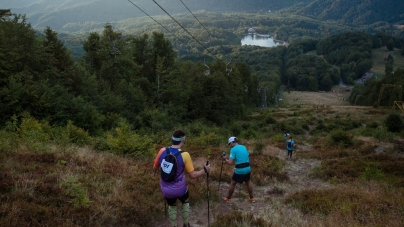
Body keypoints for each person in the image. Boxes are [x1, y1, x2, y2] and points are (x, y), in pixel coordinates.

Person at [153, 129, 211, 227]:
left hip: (165, 188)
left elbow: (155, 168)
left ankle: (174, 225)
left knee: (172, 205)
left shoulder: (162, 150)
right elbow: (192, 175)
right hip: (180, 188)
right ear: (183, 140)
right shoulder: (185, 155)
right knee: (185, 201)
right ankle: (185, 224)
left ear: (172, 139)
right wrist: (204, 170)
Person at [221, 136, 255, 203]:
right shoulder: (243, 147)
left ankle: (228, 198)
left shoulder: (233, 149)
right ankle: (252, 198)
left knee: (233, 183)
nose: (230, 146)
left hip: (240, 169)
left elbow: (230, 162)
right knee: (248, 182)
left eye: (229, 144)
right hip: (247, 168)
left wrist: (225, 159)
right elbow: (247, 156)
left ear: (232, 142)